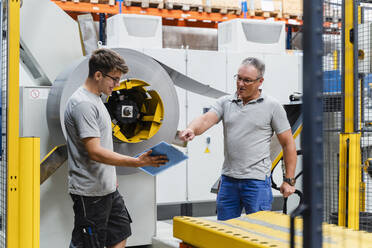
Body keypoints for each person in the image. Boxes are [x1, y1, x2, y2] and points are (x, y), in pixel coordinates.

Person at [64, 48, 168, 248]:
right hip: (90, 193)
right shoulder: (83, 104)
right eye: (115, 79)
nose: (118, 85)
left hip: (107, 188)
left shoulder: (96, 100)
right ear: (98, 75)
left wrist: (111, 176)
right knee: (88, 243)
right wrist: (137, 162)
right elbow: (94, 151)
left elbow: (102, 144)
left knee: (120, 231)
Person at [179, 57, 297, 221]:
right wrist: (192, 129)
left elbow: (288, 143)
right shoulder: (226, 102)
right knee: (225, 231)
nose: (241, 84)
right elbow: (206, 119)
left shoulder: (272, 106)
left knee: (259, 231)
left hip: (257, 183)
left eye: (247, 80)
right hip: (228, 181)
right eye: (239, 78)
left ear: (260, 81)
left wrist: (289, 180)